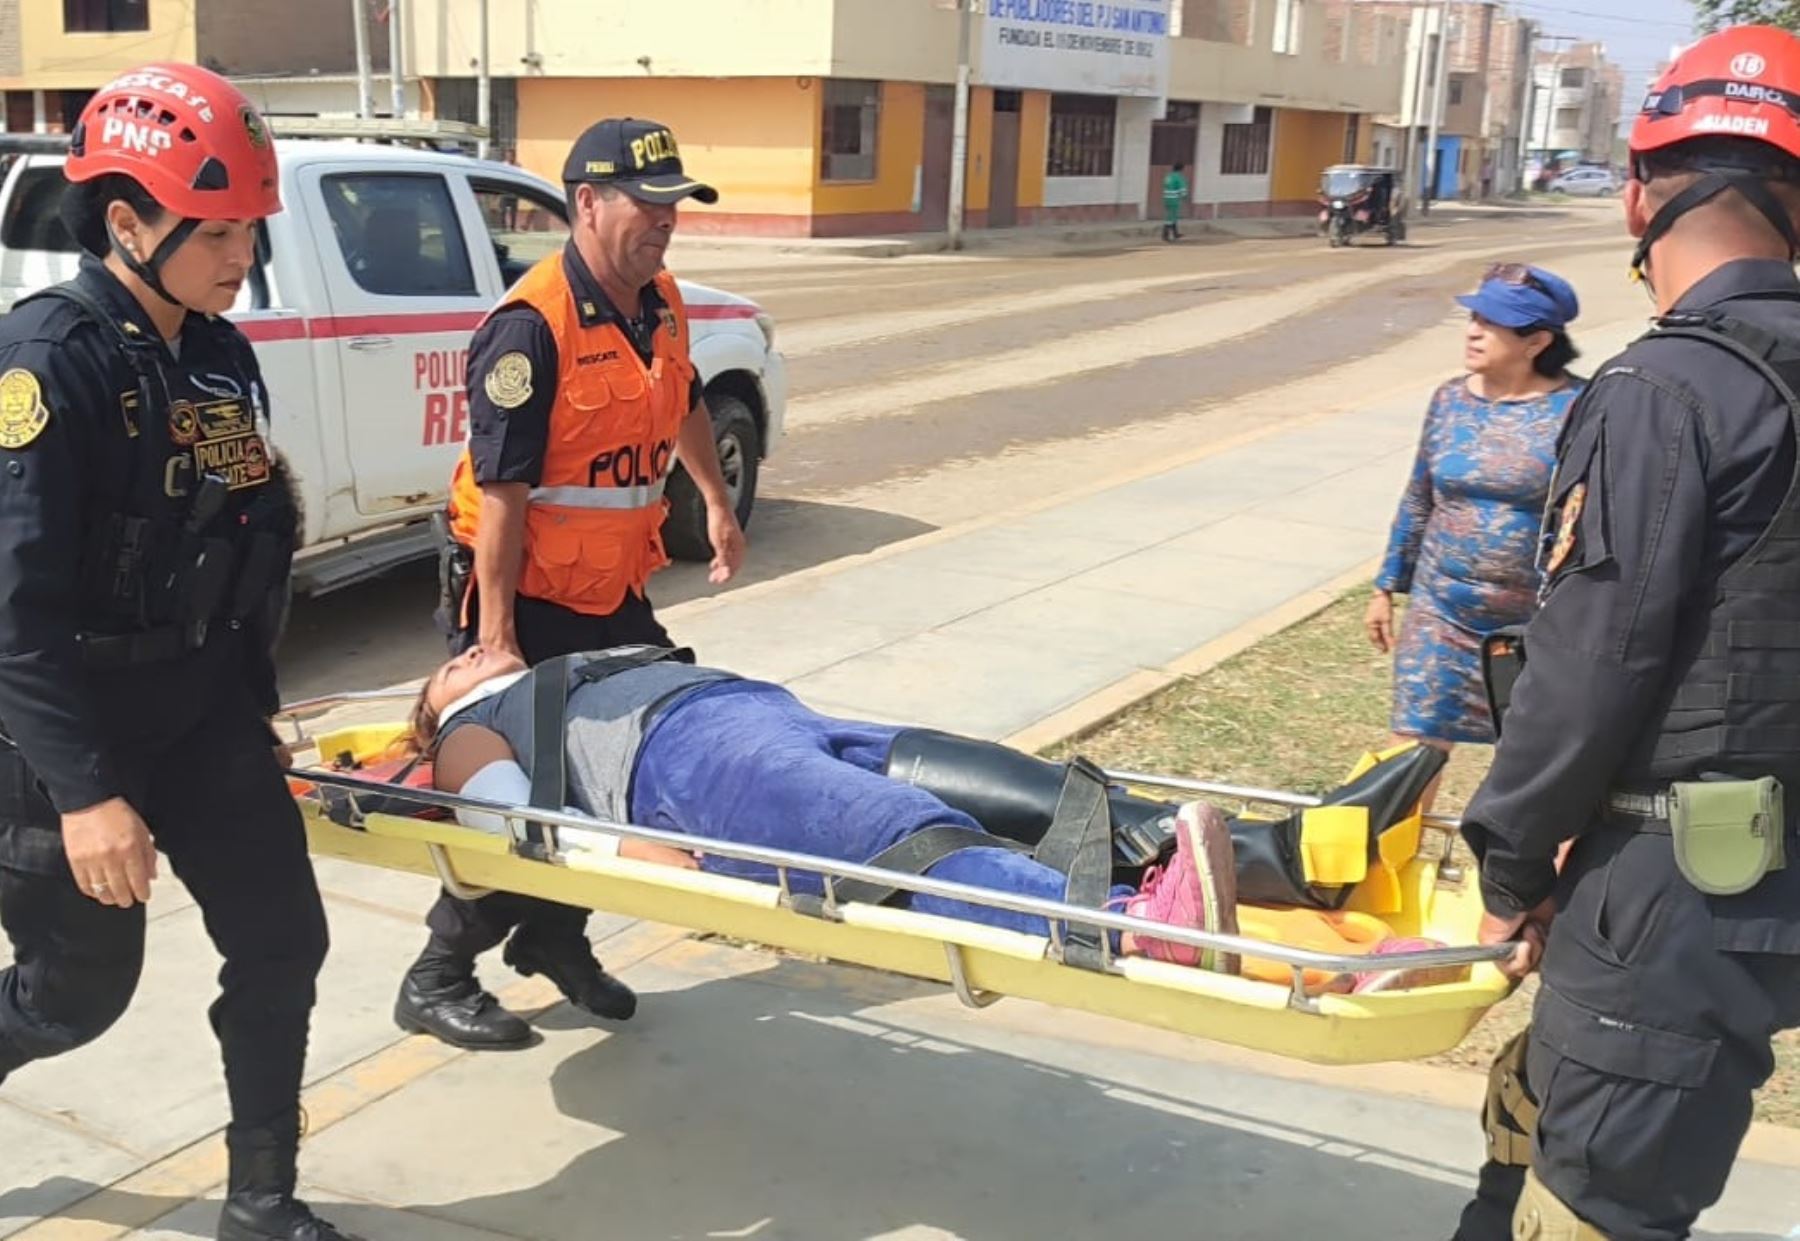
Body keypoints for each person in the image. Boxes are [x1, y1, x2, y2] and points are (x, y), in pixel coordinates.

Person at [1450, 25, 1800, 1241]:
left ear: (1640, 193)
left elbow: (1592, 663)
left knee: (1580, 1202)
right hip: (1760, 892)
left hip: (1660, 894)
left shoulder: (1666, 390)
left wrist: (1509, 861)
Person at [0, 66, 357, 1241]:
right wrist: (90, 793)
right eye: (214, 229)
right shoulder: (46, 362)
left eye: (252, 226)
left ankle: (260, 1200)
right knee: (80, 994)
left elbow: (248, 538)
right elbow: (15, 607)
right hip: (73, 736)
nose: (241, 251)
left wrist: (252, 703)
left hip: (201, 711)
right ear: (126, 224)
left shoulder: (218, 356)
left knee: (281, 939)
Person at [397, 117, 748, 1052]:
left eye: (675, 206)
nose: (666, 223)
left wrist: (713, 497)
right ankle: (436, 972)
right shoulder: (529, 327)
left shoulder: (659, 301)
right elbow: (504, 498)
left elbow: (684, 405)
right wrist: (499, 639)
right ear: (587, 204)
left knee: (626, 777)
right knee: (532, 795)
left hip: (610, 594)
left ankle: (555, 935)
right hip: (528, 597)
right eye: (649, 205)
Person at [1366, 265, 1583, 809]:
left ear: (1537, 341)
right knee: (1412, 752)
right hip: (1441, 610)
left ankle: (1510, 883)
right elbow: (1420, 494)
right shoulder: (1448, 400)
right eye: (1474, 317)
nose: (1473, 331)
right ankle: (1392, 869)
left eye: (1493, 323)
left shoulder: (1581, 408)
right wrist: (1387, 584)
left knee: (1530, 760)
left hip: (1533, 622)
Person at [1162, 162, 1188, 243]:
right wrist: (1185, 197)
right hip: (1174, 199)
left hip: (1166, 198)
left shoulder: (1168, 176)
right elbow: (1182, 189)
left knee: (1172, 216)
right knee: (1171, 217)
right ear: (1181, 169)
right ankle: (1165, 235)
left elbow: (1165, 185)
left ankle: (1175, 233)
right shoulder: (1179, 177)